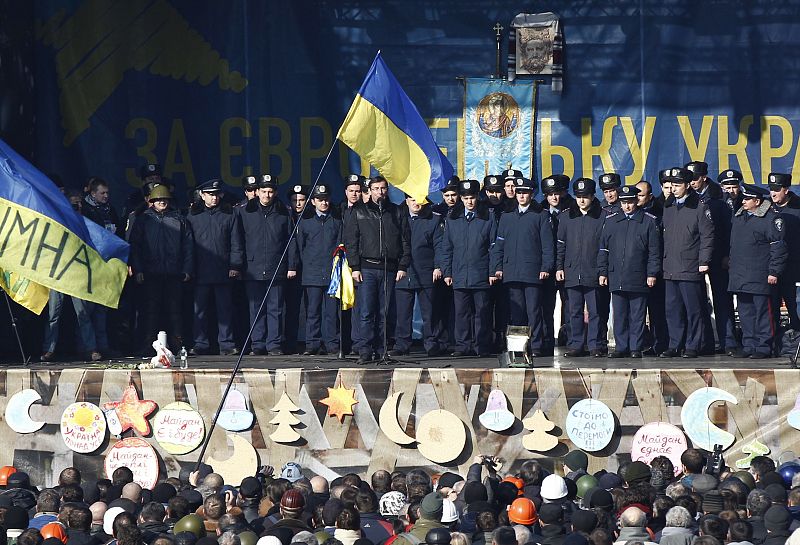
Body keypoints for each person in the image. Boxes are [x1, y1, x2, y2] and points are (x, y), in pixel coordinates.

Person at [343, 176, 411, 365]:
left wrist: (403, 265)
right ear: (369, 190)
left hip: (389, 268)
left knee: (385, 312)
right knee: (366, 312)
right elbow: (351, 241)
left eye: (383, 188)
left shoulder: (396, 212)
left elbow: (405, 240)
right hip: (367, 268)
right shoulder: (358, 211)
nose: (380, 192)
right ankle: (365, 350)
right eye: (376, 188)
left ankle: (382, 350)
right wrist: (354, 267)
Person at [492, 177, 554, 357]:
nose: (521, 196)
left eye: (525, 192)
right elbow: (499, 245)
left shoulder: (541, 215)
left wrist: (546, 267)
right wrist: (498, 266)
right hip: (512, 272)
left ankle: (536, 346)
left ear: (531, 194)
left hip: (533, 272)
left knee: (534, 311)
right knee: (516, 313)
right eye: (518, 192)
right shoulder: (506, 216)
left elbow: (547, 246)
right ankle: (519, 347)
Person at [129, 184, 194, 353]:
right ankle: (148, 344)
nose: (162, 202)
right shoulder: (143, 220)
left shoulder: (179, 219)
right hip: (151, 273)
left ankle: (178, 344)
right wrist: (139, 269)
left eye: (164, 199)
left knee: (175, 312)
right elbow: (135, 247)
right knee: (150, 312)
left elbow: (188, 246)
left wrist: (187, 269)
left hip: (174, 273)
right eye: (158, 200)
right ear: (152, 202)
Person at [598, 185, 661, 358]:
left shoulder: (648, 221)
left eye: (630, 202)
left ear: (636, 201)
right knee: (619, 315)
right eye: (624, 202)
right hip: (616, 275)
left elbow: (654, 251)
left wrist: (651, 273)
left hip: (638, 275)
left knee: (637, 315)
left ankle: (635, 347)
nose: (627, 206)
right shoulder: (611, 221)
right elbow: (604, 249)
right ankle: (621, 347)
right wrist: (603, 272)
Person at [238, 174, 299, 356]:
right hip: (253, 268)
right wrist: (238, 265)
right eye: (263, 191)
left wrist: (291, 265)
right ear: (256, 192)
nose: (267, 195)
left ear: (275, 192)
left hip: (277, 266)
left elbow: (291, 240)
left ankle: (274, 344)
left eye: (270, 191)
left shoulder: (283, 212)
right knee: (256, 308)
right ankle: (258, 343)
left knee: (276, 308)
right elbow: (238, 240)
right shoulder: (244, 211)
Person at [659, 167, 715, 359]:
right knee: (672, 310)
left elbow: (707, 236)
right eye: (671, 185)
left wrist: (704, 260)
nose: (673, 189)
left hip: (690, 266)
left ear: (687, 185)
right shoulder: (668, 206)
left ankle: (693, 344)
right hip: (670, 267)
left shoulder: (699, 207)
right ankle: (675, 344)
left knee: (694, 309)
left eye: (677, 185)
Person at [185, 179, 244, 356]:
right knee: (199, 310)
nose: (214, 198)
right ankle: (200, 343)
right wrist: (189, 269)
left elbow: (236, 242)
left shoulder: (229, 214)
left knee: (225, 309)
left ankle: (226, 343)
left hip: (222, 269)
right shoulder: (193, 215)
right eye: (210, 194)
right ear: (202, 195)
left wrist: (235, 265)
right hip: (200, 269)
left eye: (217, 194)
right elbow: (188, 245)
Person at [728, 184, 787, 358]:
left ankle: (764, 346)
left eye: (747, 199)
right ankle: (749, 344)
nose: (743, 201)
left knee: (763, 312)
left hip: (760, 274)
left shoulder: (770, 219)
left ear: (757, 201)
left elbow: (779, 248)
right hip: (740, 274)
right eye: (743, 198)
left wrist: (774, 271)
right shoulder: (739, 217)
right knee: (745, 312)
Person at [441, 180, 497, 357]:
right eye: (465, 198)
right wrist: (447, 272)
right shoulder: (453, 218)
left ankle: (482, 346)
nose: (469, 202)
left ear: (477, 197)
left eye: (472, 198)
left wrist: (492, 271)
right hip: (459, 274)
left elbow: (494, 246)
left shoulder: (488, 216)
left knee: (482, 312)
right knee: (461, 313)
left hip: (480, 273)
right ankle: (463, 346)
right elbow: (447, 247)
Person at [556, 178, 605, 357]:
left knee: (595, 311)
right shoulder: (566, 216)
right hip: (572, 271)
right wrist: (559, 267)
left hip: (592, 271)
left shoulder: (603, 216)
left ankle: (595, 345)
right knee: (573, 311)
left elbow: (604, 247)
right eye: (578, 196)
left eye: (585, 196)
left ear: (592, 196)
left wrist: (602, 270)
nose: (582, 200)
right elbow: (560, 245)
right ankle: (576, 344)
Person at [392, 194, 445, 357]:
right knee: (402, 312)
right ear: (406, 201)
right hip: (403, 271)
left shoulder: (433, 219)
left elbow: (440, 245)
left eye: (419, 200)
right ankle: (402, 344)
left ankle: (431, 343)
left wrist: (438, 266)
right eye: (412, 200)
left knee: (429, 312)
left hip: (426, 271)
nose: (416, 203)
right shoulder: (397, 218)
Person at [295, 184, 342, 355]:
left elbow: (340, 246)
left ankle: (332, 343)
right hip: (312, 274)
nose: (324, 203)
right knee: (312, 311)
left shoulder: (336, 221)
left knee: (331, 312)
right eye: (320, 200)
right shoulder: (306, 222)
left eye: (326, 199)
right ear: (313, 202)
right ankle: (312, 344)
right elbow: (300, 247)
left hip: (331, 274)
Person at [636, 180, 668, 355]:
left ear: (649, 196)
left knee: (657, 310)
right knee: (637, 312)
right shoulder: (632, 212)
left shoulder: (658, 212)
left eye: (641, 195)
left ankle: (660, 343)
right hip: (636, 269)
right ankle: (641, 343)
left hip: (655, 269)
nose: (637, 198)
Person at [768, 172, 800, 335]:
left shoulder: (797, 207)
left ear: (786, 190)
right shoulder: (767, 208)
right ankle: (776, 341)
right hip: (771, 267)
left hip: (793, 266)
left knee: (793, 305)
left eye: (777, 189)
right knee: (772, 306)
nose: (773, 193)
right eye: (771, 189)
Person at [340, 174, 366, 355]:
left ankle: (358, 343)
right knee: (340, 306)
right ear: (346, 192)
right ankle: (341, 344)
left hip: (359, 264)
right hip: (340, 263)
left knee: (358, 306)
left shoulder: (366, 211)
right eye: (351, 191)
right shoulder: (338, 209)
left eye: (358, 191)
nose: (354, 194)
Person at [284, 184, 309, 354]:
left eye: (301, 200)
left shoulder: (310, 217)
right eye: (295, 200)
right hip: (291, 270)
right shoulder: (285, 216)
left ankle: (310, 342)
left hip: (308, 269)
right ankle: (290, 342)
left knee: (311, 308)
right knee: (291, 309)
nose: (298, 204)